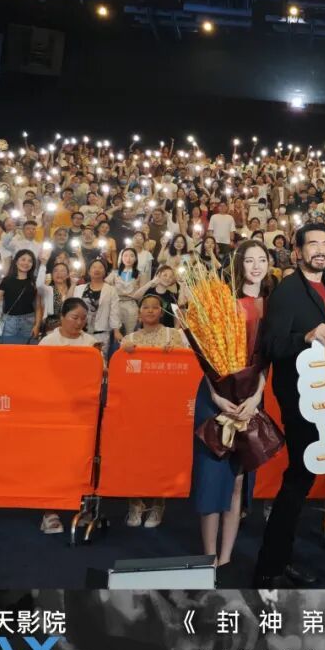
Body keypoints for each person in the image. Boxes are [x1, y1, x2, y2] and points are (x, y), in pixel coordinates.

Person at [252, 223, 325, 589]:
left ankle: (277, 560)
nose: (320, 249)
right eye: (312, 244)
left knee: (300, 478)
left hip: (320, 393)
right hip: (299, 397)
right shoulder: (288, 290)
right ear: (298, 252)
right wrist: (306, 336)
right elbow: (271, 345)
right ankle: (268, 567)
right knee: (298, 477)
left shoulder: (323, 285)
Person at [191, 241, 271, 579]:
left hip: (250, 398)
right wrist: (216, 393)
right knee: (213, 477)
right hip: (216, 398)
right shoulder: (221, 299)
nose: (256, 266)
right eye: (249, 260)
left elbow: (266, 359)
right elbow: (205, 354)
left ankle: (226, 557)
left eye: (262, 259)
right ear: (238, 265)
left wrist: (256, 396)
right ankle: (207, 556)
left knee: (238, 480)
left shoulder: (272, 304)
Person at [120, 293, 188, 528]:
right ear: (139, 313)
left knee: (162, 456)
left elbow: (187, 367)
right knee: (135, 456)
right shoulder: (129, 339)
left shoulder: (174, 336)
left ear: (161, 311)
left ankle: (159, 503)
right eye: (145, 307)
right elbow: (121, 373)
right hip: (136, 408)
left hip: (166, 407)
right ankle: (135, 502)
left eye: (155, 307)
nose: (150, 310)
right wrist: (124, 352)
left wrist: (176, 354)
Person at [37, 297, 101, 534]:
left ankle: (82, 508)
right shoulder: (48, 341)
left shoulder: (90, 343)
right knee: (51, 460)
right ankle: (49, 512)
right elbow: (38, 373)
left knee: (80, 460)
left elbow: (100, 373)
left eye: (83, 319)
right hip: (53, 410)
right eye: (74, 317)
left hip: (82, 411)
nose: (79, 323)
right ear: (62, 317)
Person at [72, 258, 122, 353]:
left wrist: (116, 330)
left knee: (99, 359)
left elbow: (114, 312)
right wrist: (73, 283)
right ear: (89, 271)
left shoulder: (111, 290)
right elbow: (71, 306)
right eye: (94, 267)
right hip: (80, 333)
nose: (97, 269)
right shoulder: (79, 289)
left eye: (100, 267)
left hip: (101, 334)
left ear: (105, 272)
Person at [0, 249, 42, 344]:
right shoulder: (6, 280)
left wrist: (37, 325)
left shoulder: (34, 282)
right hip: (9, 322)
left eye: (30, 261)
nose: (26, 263)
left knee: (27, 351)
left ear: (33, 264)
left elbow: (38, 307)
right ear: (16, 262)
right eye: (23, 259)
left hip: (29, 321)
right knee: (9, 351)